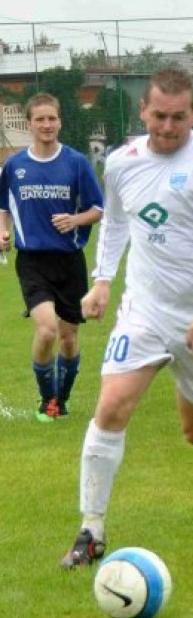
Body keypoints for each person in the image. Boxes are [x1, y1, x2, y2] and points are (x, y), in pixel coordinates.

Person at [60, 68, 193, 568]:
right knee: (111, 407)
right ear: (143, 111)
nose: (168, 127)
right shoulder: (122, 163)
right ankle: (91, 530)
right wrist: (103, 279)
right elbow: (116, 220)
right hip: (144, 310)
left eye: (179, 117)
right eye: (159, 116)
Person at [0, 92, 103, 422]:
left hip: (69, 261)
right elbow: (4, 206)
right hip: (32, 261)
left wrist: (75, 220)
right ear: (29, 124)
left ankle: (63, 398)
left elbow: (98, 209)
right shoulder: (14, 166)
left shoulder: (76, 162)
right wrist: (2, 231)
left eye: (52, 118)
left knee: (69, 339)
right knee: (46, 330)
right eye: (40, 119)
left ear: (60, 121)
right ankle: (48, 401)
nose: (47, 124)